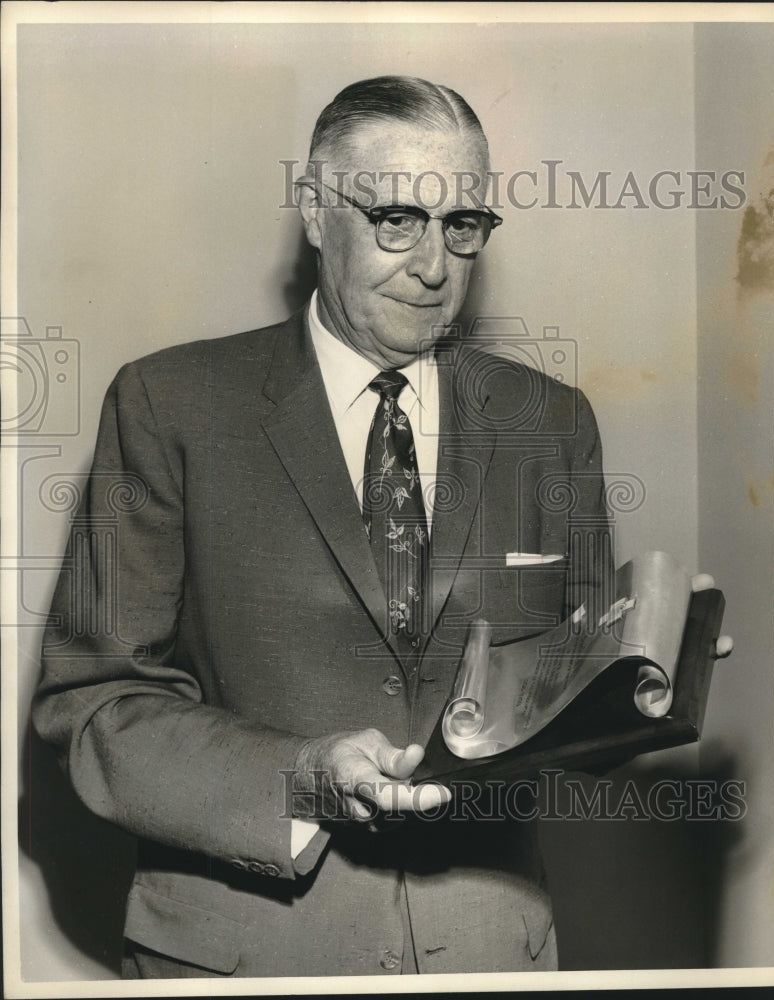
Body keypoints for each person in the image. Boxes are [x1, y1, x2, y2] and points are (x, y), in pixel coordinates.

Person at [32, 75, 653, 978]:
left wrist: (640, 686)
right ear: (318, 214)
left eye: (463, 227)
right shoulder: (170, 405)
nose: (435, 266)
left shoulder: (552, 423)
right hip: (247, 956)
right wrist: (301, 774)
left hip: (490, 953)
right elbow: (90, 707)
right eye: (397, 219)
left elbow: (572, 710)